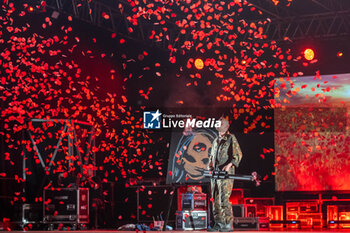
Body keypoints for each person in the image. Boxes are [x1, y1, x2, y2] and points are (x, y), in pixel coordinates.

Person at [207, 117, 243, 232]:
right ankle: (218, 223)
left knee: (224, 199)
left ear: (226, 128)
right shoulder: (215, 140)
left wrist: (229, 166)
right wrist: (209, 165)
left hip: (226, 174)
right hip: (215, 173)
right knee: (215, 199)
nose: (220, 131)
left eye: (222, 129)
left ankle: (227, 224)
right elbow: (212, 155)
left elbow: (237, 154)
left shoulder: (231, 138)